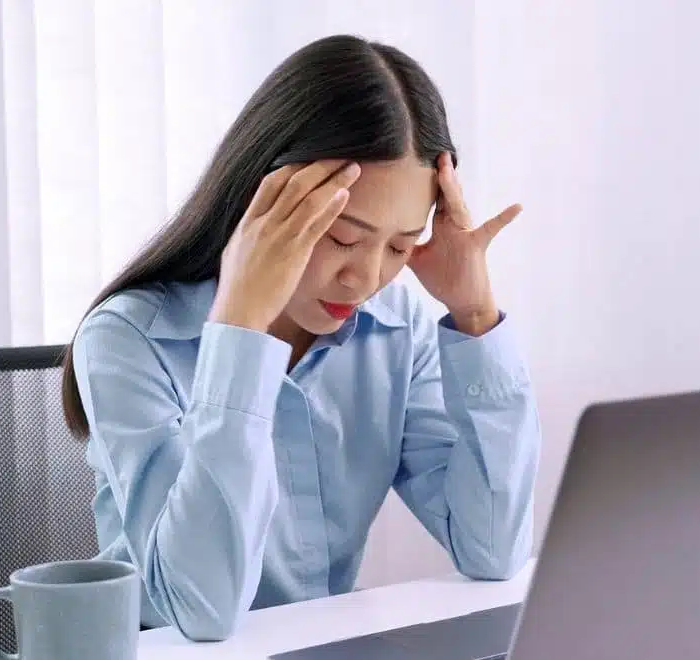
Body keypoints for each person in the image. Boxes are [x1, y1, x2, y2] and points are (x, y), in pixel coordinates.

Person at [60, 34, 541, 642]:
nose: (365, 277)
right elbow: (202, 610)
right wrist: (239, 334)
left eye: (399, 245)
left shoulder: (399, 330)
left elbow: (493, 549)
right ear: (264, 202)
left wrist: (474, 314)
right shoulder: (130, 338)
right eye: (342, 237)